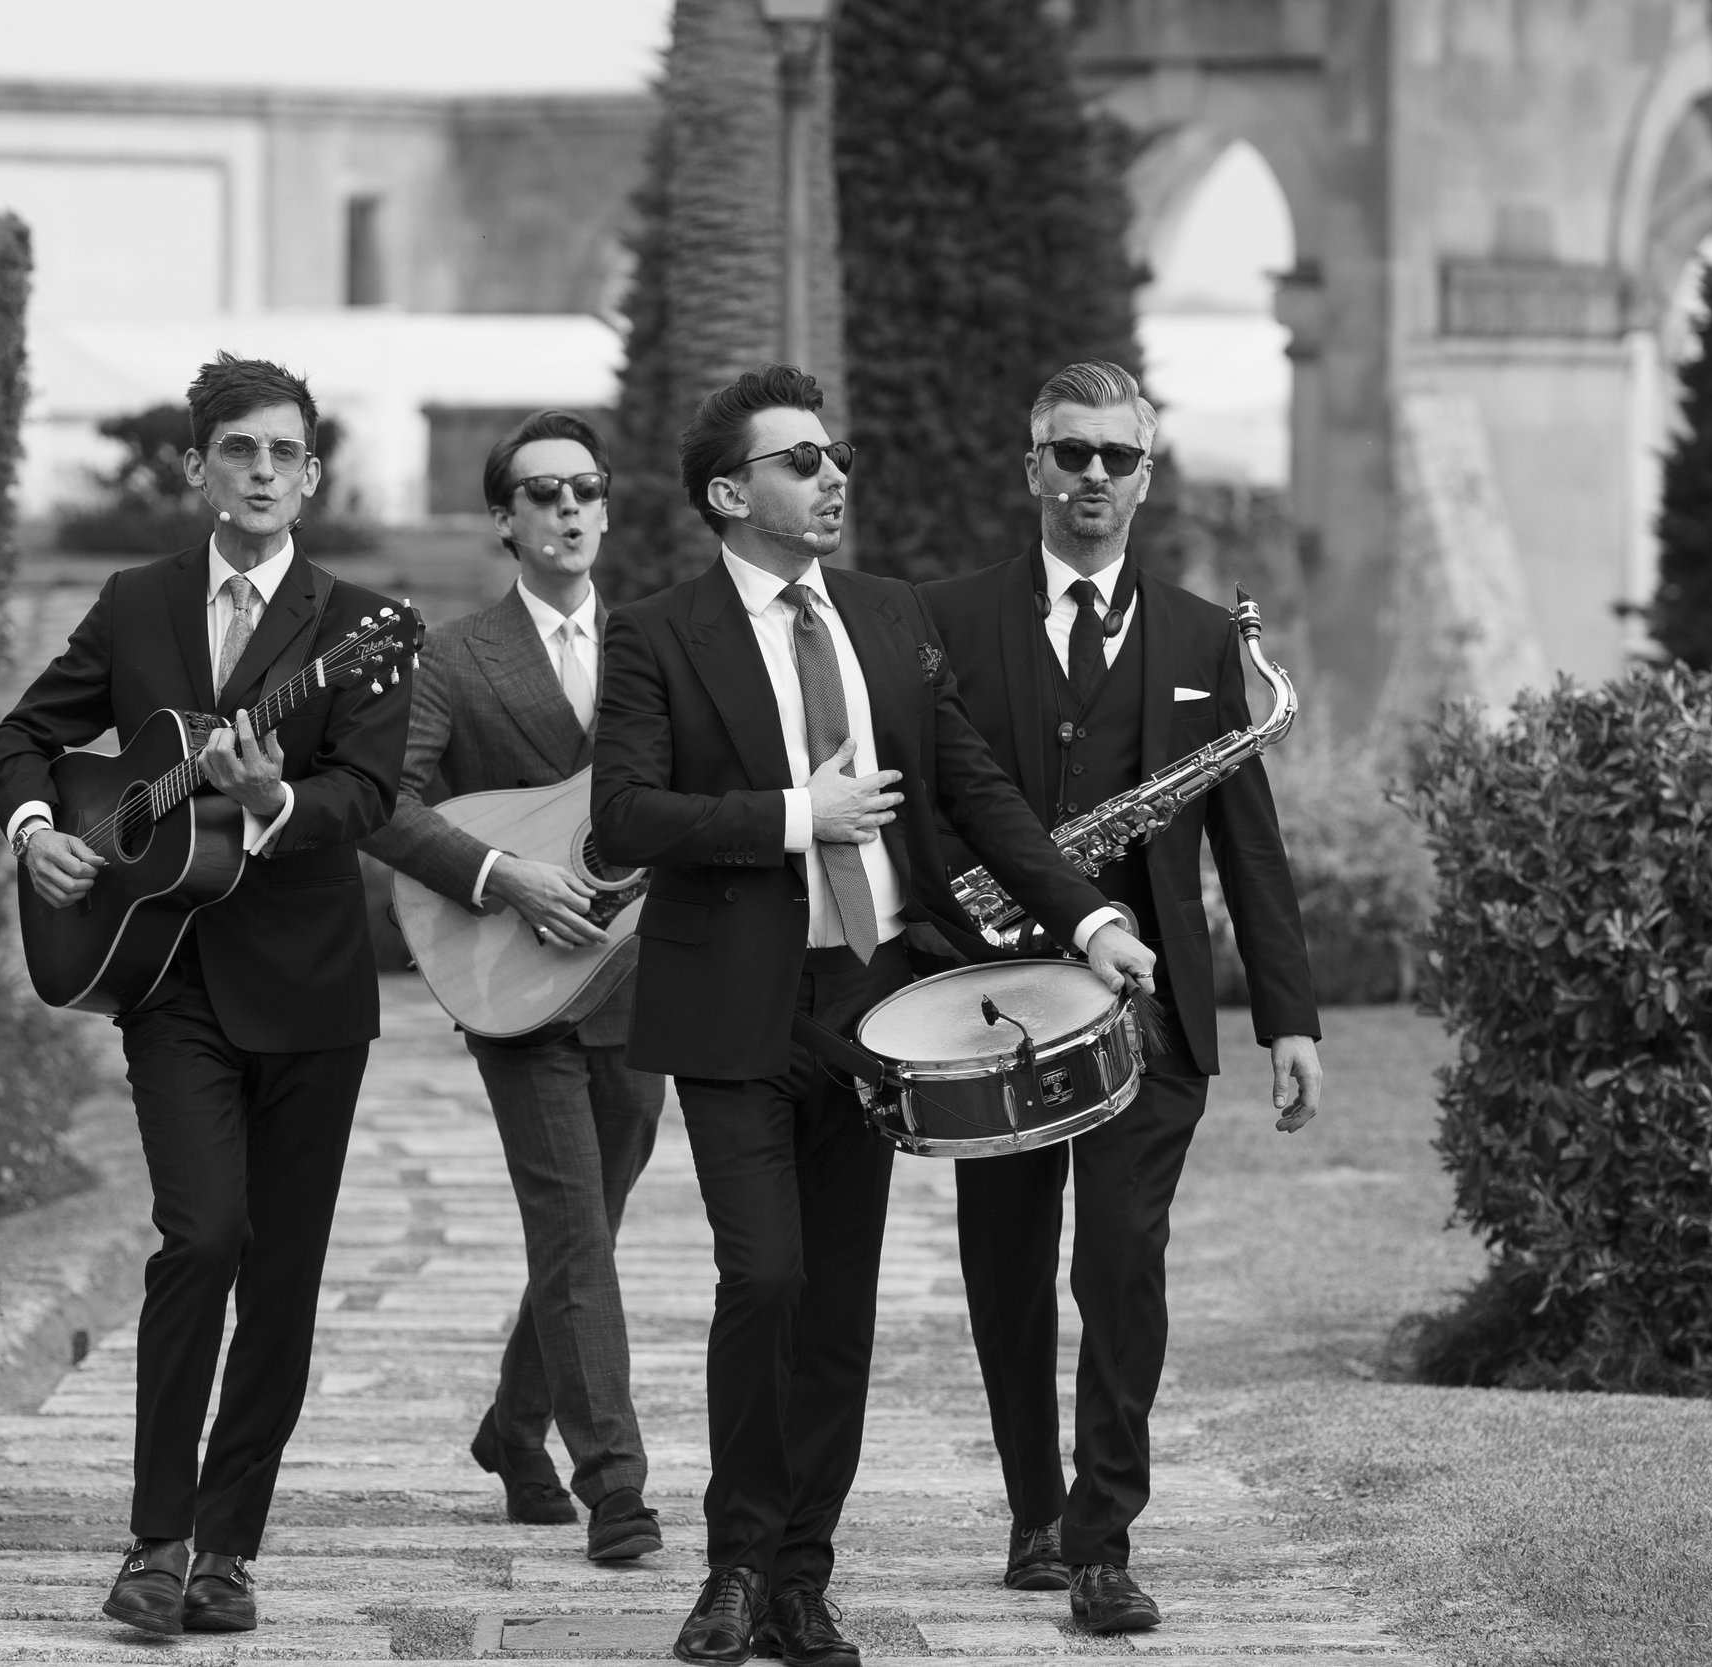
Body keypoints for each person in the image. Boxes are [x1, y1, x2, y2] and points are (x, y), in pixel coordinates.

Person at [591, 364, 1159, 1667]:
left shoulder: (890, 616)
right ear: (732, 494)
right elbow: (621, 817)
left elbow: (981, 797)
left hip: (875, 1008)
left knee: (838, 1301)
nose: (833, 474)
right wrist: (799, 815)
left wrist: (1088, 922)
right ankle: (733, 1560)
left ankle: (802, 1577)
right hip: (732, 1007)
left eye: (834, 453)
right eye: (801, 460)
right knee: (767, 1274)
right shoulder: (656, 632)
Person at [0, 354, 411, 1638]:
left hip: (312, 992)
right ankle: (153, 1538)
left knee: (280, 1278)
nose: (264, 472)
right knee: (201, 1238)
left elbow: (370, 798)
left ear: (313, 474)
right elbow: (27, 737)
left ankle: (228, 1548)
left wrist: (277, 795)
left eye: (285, 453)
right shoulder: (137, 600)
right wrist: (36, 829)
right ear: (198, 468)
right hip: (164, 980)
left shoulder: (363, 626)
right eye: (240, 450)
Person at [916, 361, 1324, 1636]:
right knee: (1005, 1263)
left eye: (1118, 457)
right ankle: (1032, 1509)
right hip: (994, 1000)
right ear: (1029, 465)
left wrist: (1291, 1017)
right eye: (1070, 452)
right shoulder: (945, 619)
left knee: (1120, 1264)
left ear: (1148, 477)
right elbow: (926, 809)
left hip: (1150, 1018)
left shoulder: (1207, 638)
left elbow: (1246, 843)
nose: (1093, 475)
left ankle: (1101, 1535)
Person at [359, 410, 669, 1562]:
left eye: (585, 488)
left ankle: (510, 1427)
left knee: (595, 1222)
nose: (569, 509)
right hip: (511, 975)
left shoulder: (657, 642)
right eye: (542, 494)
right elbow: (382, 801)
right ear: (504, 519)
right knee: (572, 1224)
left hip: (638, 977)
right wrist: (501, 875)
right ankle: (618, 1485)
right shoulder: (454, 654)